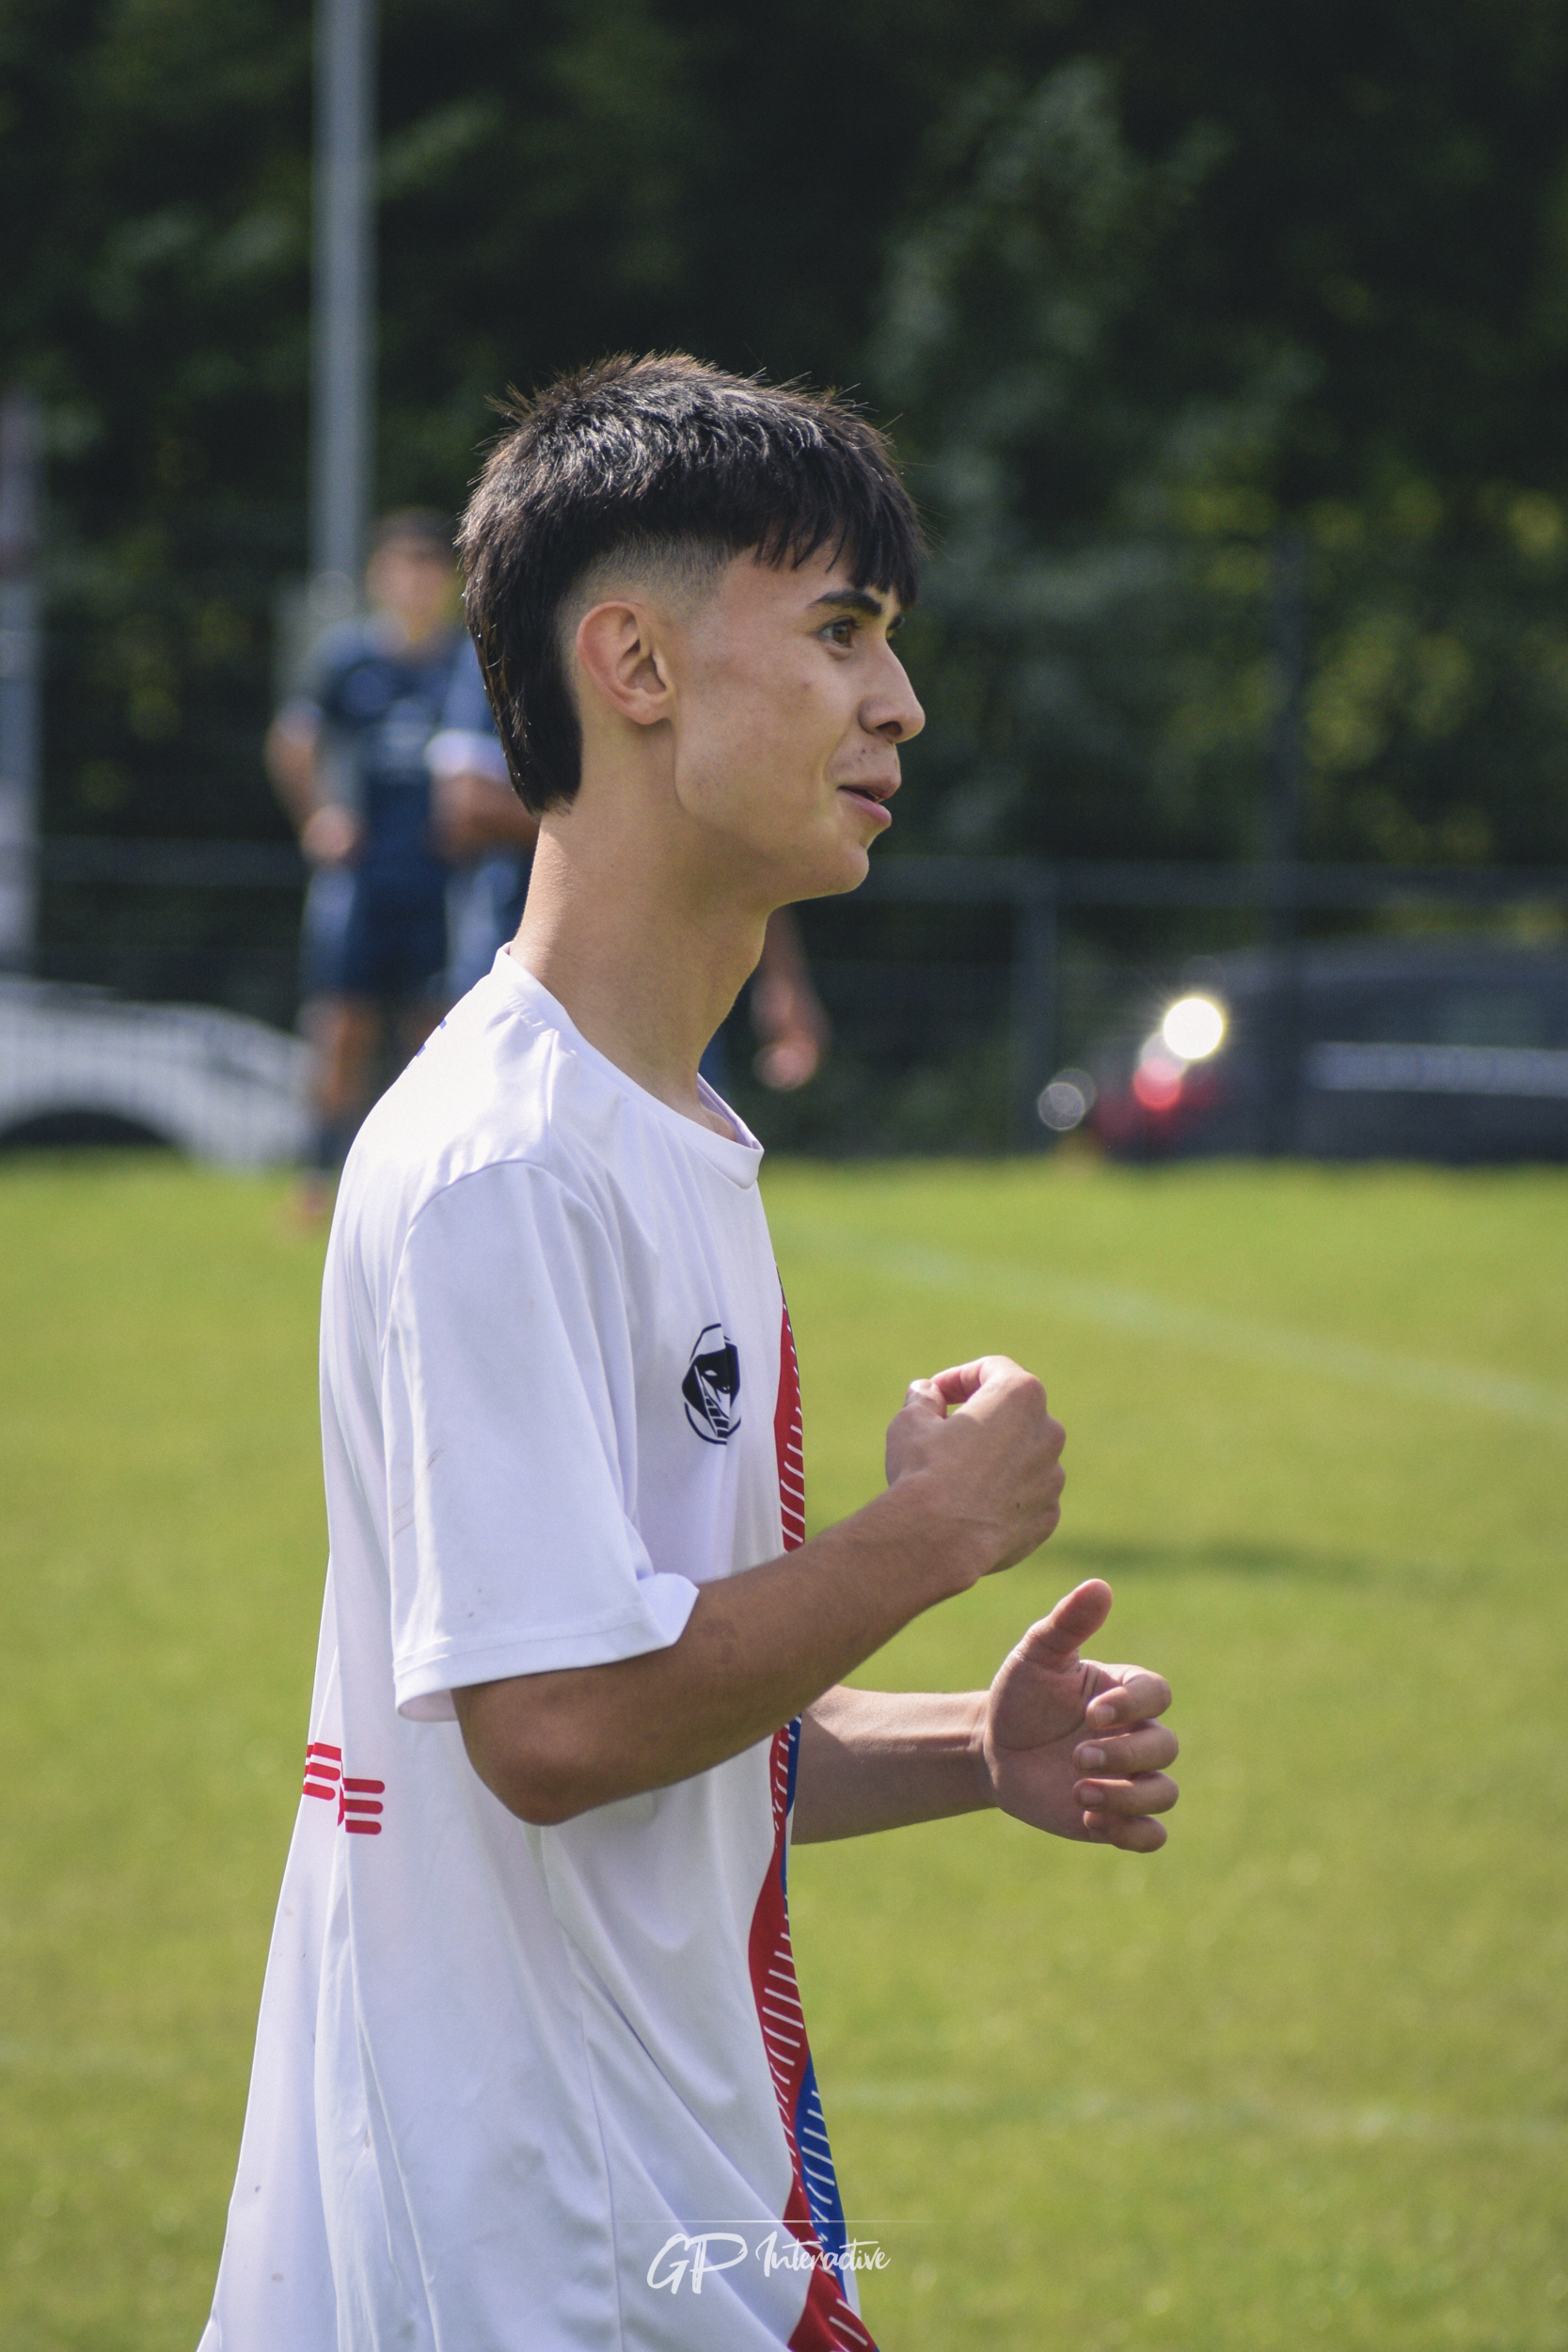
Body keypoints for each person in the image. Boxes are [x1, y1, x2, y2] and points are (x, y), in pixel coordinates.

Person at [201, 356, 1179, 2352]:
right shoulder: (503, 1161)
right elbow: (554, 1726)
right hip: (529, 2253)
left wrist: (957, 1751)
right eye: (837, 633)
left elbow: (649, 1700)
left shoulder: (665, 1131)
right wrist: (923, 1541)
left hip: (659, 2213)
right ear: (631, 662)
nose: (894, 702)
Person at [430, 635, 833, 1083]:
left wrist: (782, 979)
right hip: (524, 970)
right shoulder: (511, 643)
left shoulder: (691, 644)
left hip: (666, 974)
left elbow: (725, 832)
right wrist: (657, 829)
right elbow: (466, 806)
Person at [266, 510, 473, 1209]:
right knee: (342, 1027)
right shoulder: (346, 659)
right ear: (378, 577)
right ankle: (320, 1176)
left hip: (441, 879)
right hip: (359, 877)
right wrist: (320, 817)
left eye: (429, 567)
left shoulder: (466, 665)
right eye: (402, 566)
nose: (415, 581)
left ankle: (422, 1179)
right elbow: (291, 746)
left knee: (435, 1030)